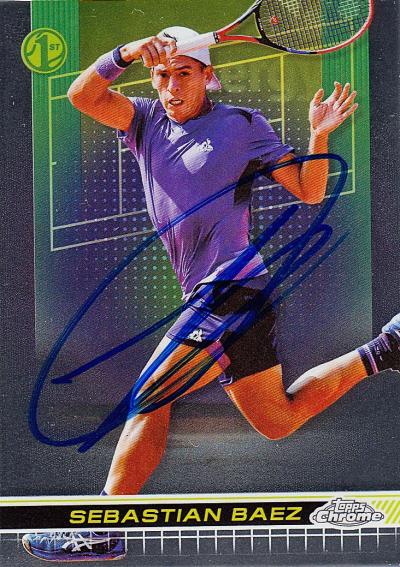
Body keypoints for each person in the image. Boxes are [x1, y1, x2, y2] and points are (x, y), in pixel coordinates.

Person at [22, 27, 400, 562]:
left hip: (232, 287)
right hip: (221, 295)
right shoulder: (143, 120)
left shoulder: (241, 125)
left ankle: (103, 527)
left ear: (208, 76)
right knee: (278, 420)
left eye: (183, 74)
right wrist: (126, 52)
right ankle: (385, 350)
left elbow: (310, 190)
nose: (171, 86)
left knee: (153, 392)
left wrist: (319, 136)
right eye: (161, 75)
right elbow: (83, 95)